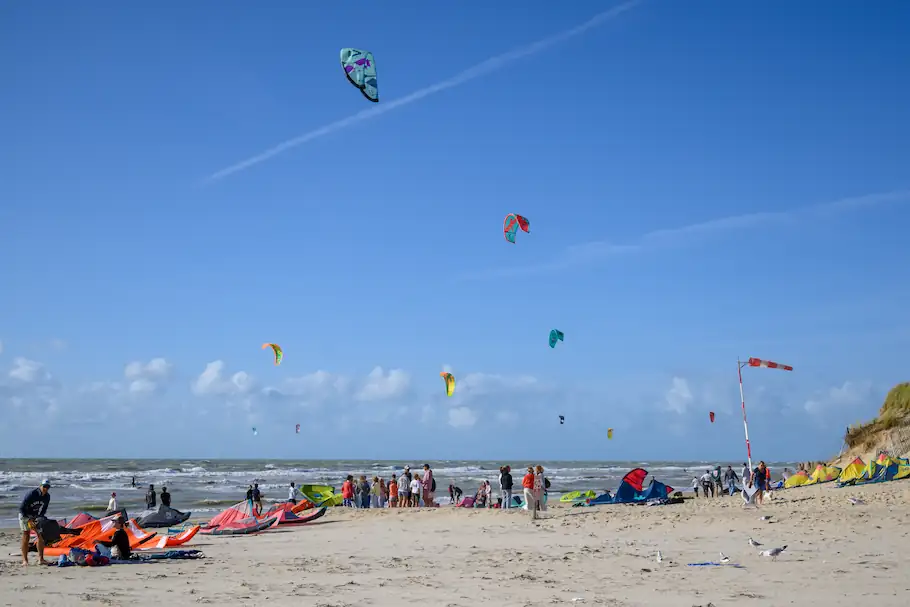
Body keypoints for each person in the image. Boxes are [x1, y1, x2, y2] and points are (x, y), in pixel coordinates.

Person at [19, 479, 51, 566]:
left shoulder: (47, 497)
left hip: (35, 516)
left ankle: (41, 559)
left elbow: (43, 510)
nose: (45, 489)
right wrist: (29, 519)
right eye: (44, 486)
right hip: (24, 515)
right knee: (26, 535)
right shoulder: (32, 494)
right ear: (40, 486)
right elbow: (21, 508)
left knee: (41, 535)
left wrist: (39, 518)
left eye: (47, 487)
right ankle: (25, 560)